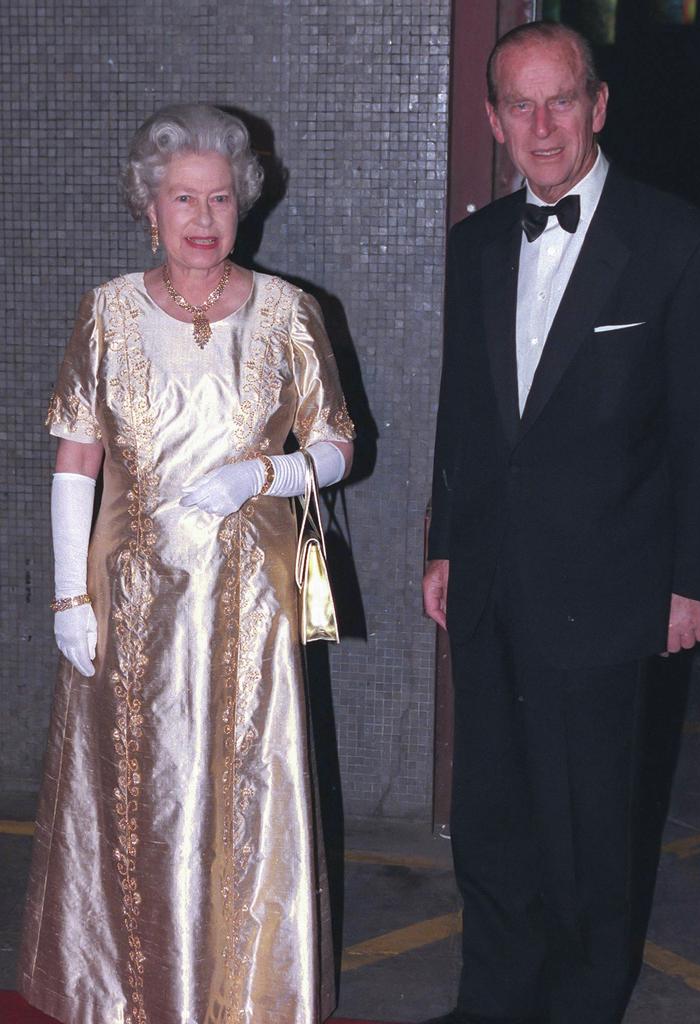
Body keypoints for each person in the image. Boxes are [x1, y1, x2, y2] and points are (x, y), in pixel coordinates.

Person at [423, 21, 700, 1024]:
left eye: (560, 98)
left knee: (591, 828)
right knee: (493, 819)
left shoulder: (682, 245)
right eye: (518, 104)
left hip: (614, 589)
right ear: (491, 120)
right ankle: (495, 1000)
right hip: (489, 584)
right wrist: (442, 542)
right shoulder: (475, 245)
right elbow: (464, 418)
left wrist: (693, 580)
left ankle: (578, 1005)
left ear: (598, 105)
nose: (542, 124)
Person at [18, 103, 355, 1024]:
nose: (202, 218)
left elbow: (337, 447)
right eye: (181, 199)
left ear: (241, 205)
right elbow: (76, 458)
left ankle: (244, 996)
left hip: (251, 603)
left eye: (218, 199)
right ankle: (133, 995)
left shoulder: (290, 312)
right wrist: (66, 596)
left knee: (244, 795)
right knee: (141, 800)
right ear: (150, 207)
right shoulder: (107, 312)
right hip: (129, 606)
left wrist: (266, 469)